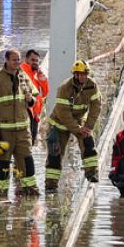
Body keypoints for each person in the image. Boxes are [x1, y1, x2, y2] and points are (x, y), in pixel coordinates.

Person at [0, 49, 40, 198]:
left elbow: (33, 99)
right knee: (2, 165)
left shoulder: (23, 77)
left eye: (18, 59)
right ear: (6, 60)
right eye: (14, 60)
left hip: (22, 130)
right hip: (3, 131)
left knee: (27, 161)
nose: (17, 62)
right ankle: (0, 196)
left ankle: (30, 193)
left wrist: (29, 99)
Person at [44, 60, 102, 189]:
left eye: (84, 74)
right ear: (74, 75)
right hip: (59, 124)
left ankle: (92, 174)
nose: (82, 77)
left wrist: (88, 127)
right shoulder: (65, 88)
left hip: (80, 123)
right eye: (79, 74)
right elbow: (63, 113)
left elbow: (96, 107)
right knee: (55, 155)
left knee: (88, 145)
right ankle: (51, 185)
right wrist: (77, 129)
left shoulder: (92, 85)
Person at [20, 48, 49, 145]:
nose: (35, 63)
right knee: (25, 142)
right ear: (26, 59)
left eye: (37, 61)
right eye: (32, 60)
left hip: (35, 113)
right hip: (26, 112)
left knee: (31, 141)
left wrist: (42, 78)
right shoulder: (21, 71)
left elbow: (44, 93)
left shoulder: (36, 73)